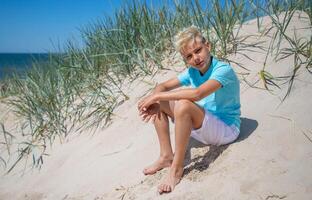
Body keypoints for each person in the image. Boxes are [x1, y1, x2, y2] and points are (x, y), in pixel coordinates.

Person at [137, 26, 241, 194]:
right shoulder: (193, 72)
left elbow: (198, 94)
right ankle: (166, 156)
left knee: (182, 103)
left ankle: (176, 170)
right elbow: (162, 86)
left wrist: (158, 97)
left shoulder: (223, 69)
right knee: (160, 99)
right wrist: (156, 98)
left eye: (198, 50)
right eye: (189, 56)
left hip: (226, 130)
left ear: (208, 46)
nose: (196, 58)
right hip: (204, 124)